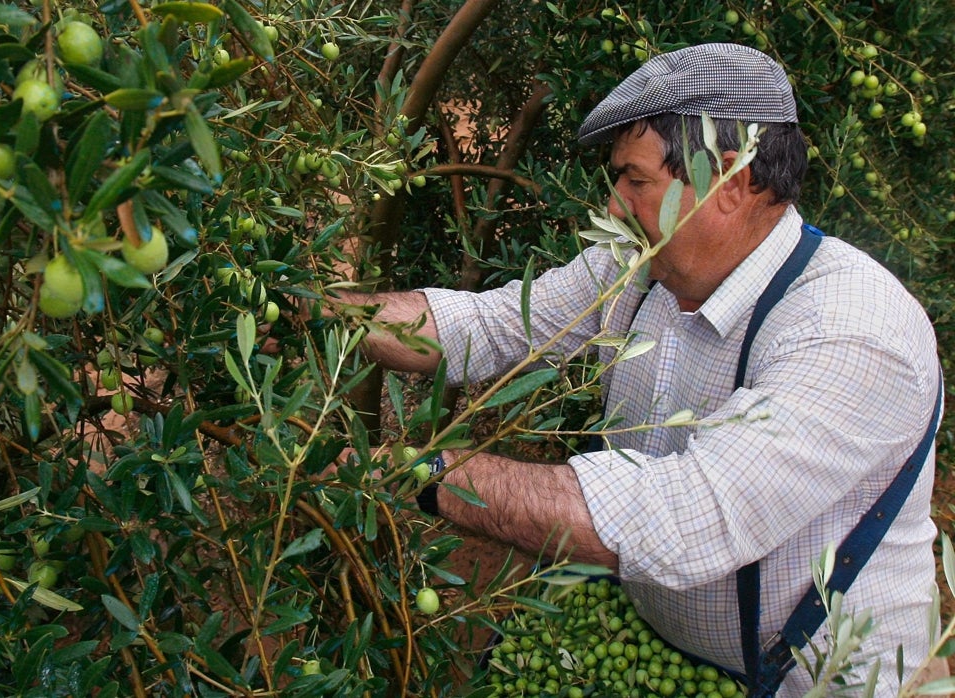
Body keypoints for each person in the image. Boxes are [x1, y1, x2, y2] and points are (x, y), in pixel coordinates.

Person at [330, 43, 943, 696]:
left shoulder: (851, 329)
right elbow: (493, 325)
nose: (616, 207)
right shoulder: (635, 272)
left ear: (730, 183)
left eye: (636, 181)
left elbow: (682, 518)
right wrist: (326, 316)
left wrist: (420, 475)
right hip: (672, 651)